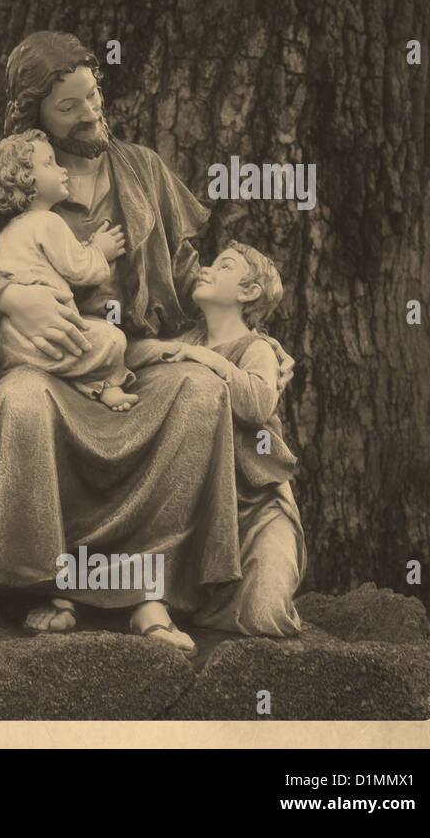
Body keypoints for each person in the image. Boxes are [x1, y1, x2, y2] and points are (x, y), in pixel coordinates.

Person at [0, 31, 295, 654]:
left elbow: (186, 274)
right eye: (68, 106)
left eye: (93, 94)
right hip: (46, 365)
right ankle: (35, 586)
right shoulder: (10, 177)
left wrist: (250, 338)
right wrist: (7, 296)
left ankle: (149, 590)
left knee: (197, 391)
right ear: (36, 118)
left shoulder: (142, 171)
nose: (89, 112)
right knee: (22, 405)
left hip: (130, 359)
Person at [127, 242, 305, 636]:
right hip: (199, 503)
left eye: (223, 266)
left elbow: (257, 403)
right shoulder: (187, 340)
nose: (205, 270)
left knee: (265, 615)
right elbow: (132, 355)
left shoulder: (256, 348)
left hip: (254, 505)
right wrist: (175, 350)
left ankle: (204, 603)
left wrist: (214, 361)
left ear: (249, 292)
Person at [0, 128, 138, 411]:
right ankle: (109, 386)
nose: (62, 169)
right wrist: (101, 250)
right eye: (50, 163)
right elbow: (80, 270)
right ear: (25, 178)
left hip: (11, 339)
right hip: (50, 331)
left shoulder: (9, 230)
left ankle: (78, 384)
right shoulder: (48, 222)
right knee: (112, 339)